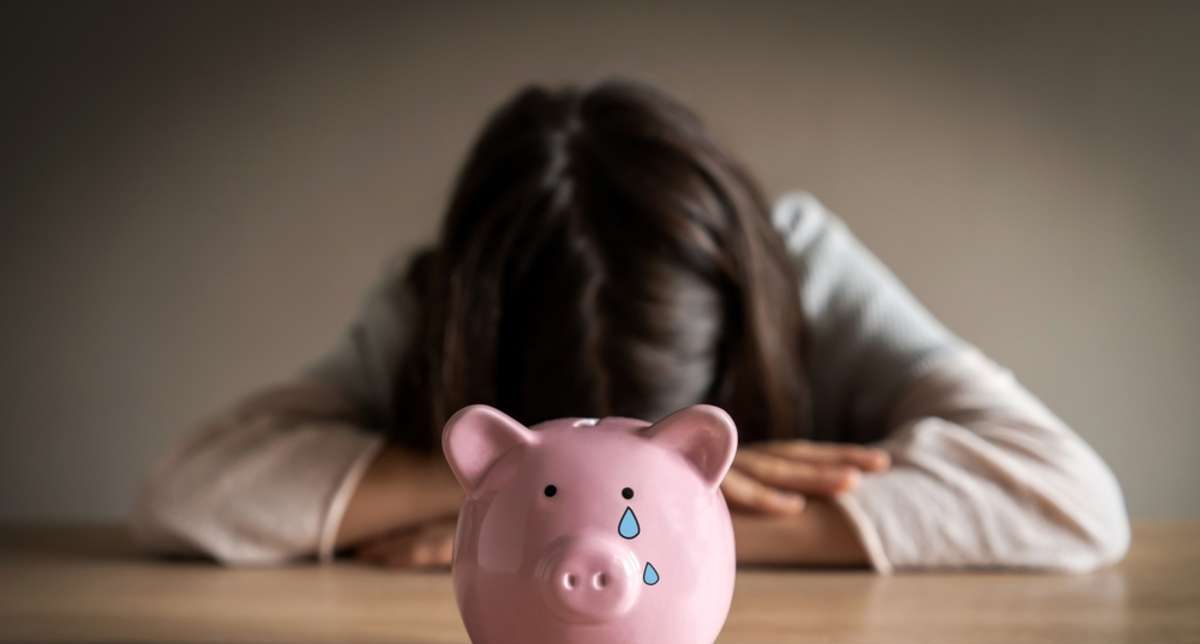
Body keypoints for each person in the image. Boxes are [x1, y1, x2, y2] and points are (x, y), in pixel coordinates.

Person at [132, 79, 1130, 573]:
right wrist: (517, 496)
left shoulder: (802, 267)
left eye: (649, 443)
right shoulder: (433, 300)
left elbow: (1071, 498)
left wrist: (690, 520)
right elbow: (188, 492)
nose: (603, 515)